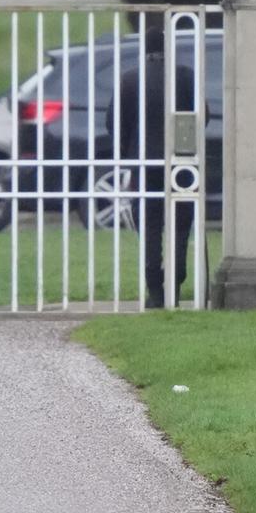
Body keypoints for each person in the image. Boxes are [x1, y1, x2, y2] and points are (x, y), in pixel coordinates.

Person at [111, 22, 195, 309]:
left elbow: (115, 123)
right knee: (180, 225)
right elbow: (201, 117)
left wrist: (128, 152)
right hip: (181, 163)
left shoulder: (130, 79)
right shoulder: (185, 77)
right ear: (168, 49)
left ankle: (155, 290)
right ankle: (176, 278)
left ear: (143, 51)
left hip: (144, 164)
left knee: (149, 227)